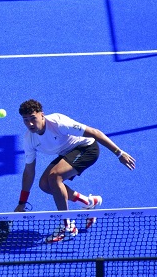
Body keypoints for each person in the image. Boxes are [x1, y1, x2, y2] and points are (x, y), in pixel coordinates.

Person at [14, 99, 135, 243]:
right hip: (67, 153)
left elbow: (94, 133)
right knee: (44, 185)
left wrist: (119, 153)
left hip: (87, 149)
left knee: (54, 177)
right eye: (25, 120)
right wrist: (22, 202)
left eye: (33, 118)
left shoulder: (58, 122)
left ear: (42, 115)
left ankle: (67, 226)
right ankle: (89, 202)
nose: (30, 124)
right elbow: (29, 172)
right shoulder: (29, 139)